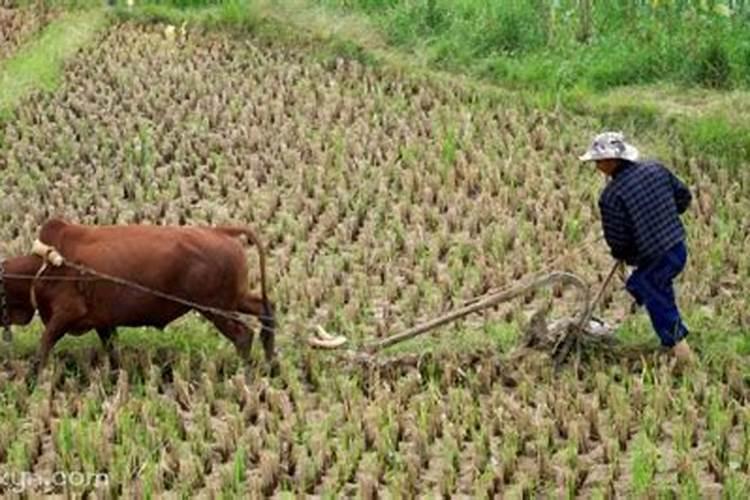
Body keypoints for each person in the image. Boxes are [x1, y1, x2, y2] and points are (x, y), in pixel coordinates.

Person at [579, 131, 694, 363]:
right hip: (677, 248)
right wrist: (665, 219)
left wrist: (625, 254)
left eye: (599, 161)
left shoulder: (611, 196)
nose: (597, 166)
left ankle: (681, 353)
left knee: (651, 291)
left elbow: (619, 242)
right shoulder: (656, 169)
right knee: (645, 286)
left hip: (654, 258)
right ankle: (669, 337)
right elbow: (683, 197)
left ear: (613, 160)